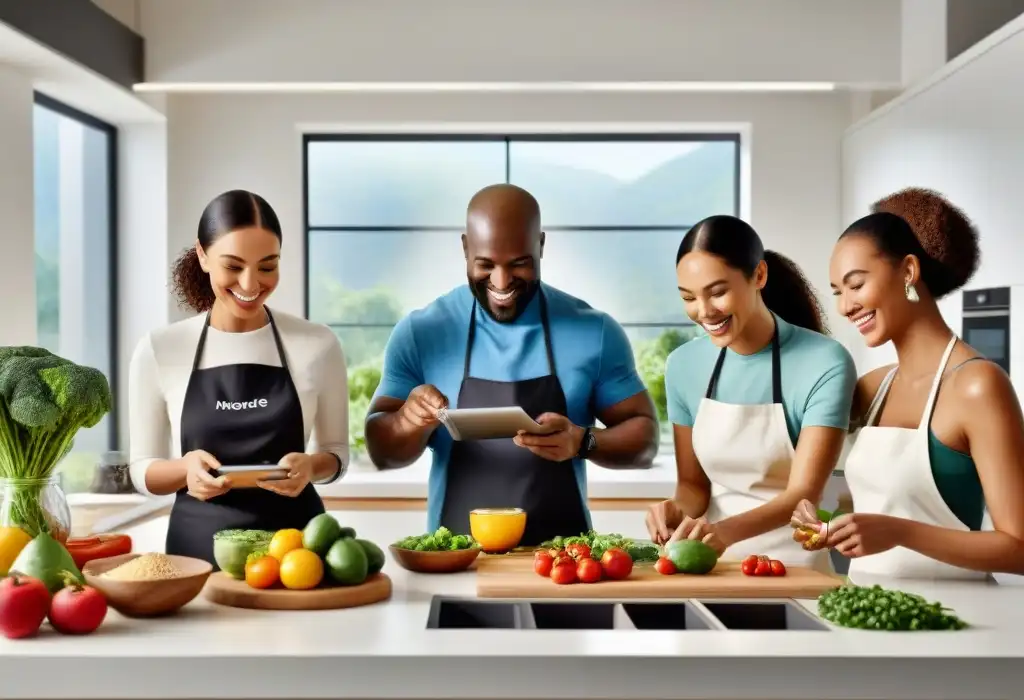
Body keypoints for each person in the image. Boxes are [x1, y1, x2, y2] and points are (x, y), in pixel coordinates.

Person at [364, 183, 659, 546]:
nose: (501, 283)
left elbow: (645, 440)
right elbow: (382, 453)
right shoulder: (421, 332)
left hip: (566, 566)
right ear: (464, 248)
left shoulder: (594, 331)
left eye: (519, 264)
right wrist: (407, 422)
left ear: (541, 246)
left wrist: (584, 442)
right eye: (485, 265)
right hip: (456, 561)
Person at [792, 188, 1024, 579]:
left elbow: (1018, 548)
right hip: (864, 608)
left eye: (856, 284)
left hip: (956, 622)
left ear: (909, 271)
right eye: (837, 292)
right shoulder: (871, 388)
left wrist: (900, 532)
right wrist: (821, 517)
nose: (845, 306)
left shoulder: (977, 385)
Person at [128, 189, 349, 566]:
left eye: (267, 266)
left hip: (297, 555)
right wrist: (185, 469)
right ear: (202, 256)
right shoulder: (160, 348)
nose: (250, 285)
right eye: (233, 266)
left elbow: (337, 454)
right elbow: (141, 469)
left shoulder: (318, 344)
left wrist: (311, 466)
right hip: (196, 556)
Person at [645, 215, 857, 571]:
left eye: (717, 292)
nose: (704, 312)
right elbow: (693, 487)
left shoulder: (824, 362)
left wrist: (724, 533)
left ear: (759, 276)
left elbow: (803, 494)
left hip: (793, 568)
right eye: (689, 298)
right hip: (709, 565)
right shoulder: (683, 365)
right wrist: (674, 508)